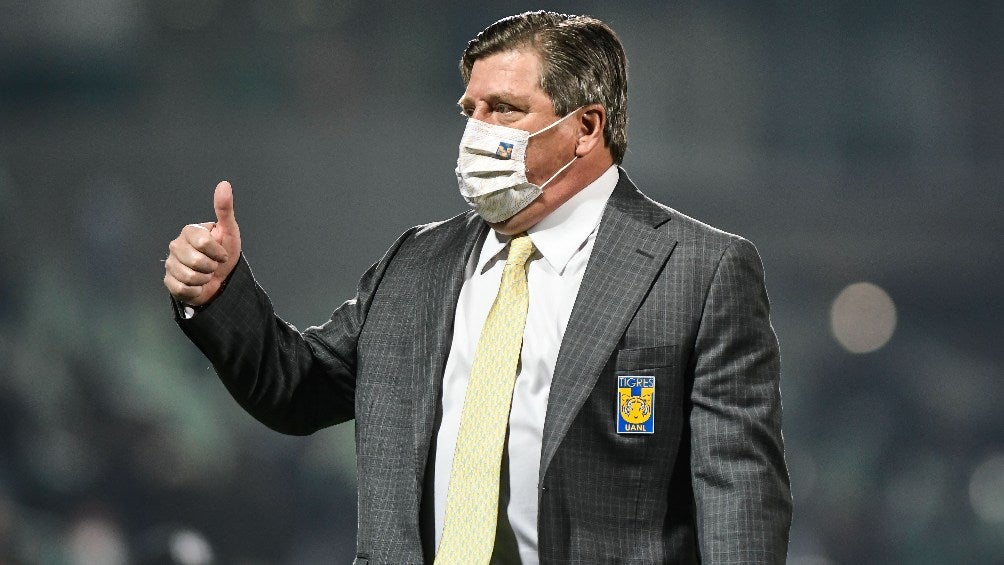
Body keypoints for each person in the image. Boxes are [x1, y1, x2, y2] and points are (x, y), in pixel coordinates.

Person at [163, 11, 791, 564]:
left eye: (505, 109)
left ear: (586, 127)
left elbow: (737, 493)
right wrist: (219, 293)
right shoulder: (418, 262)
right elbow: (298, 389)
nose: (477, 131)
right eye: (471, 110)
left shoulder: (699, 270)